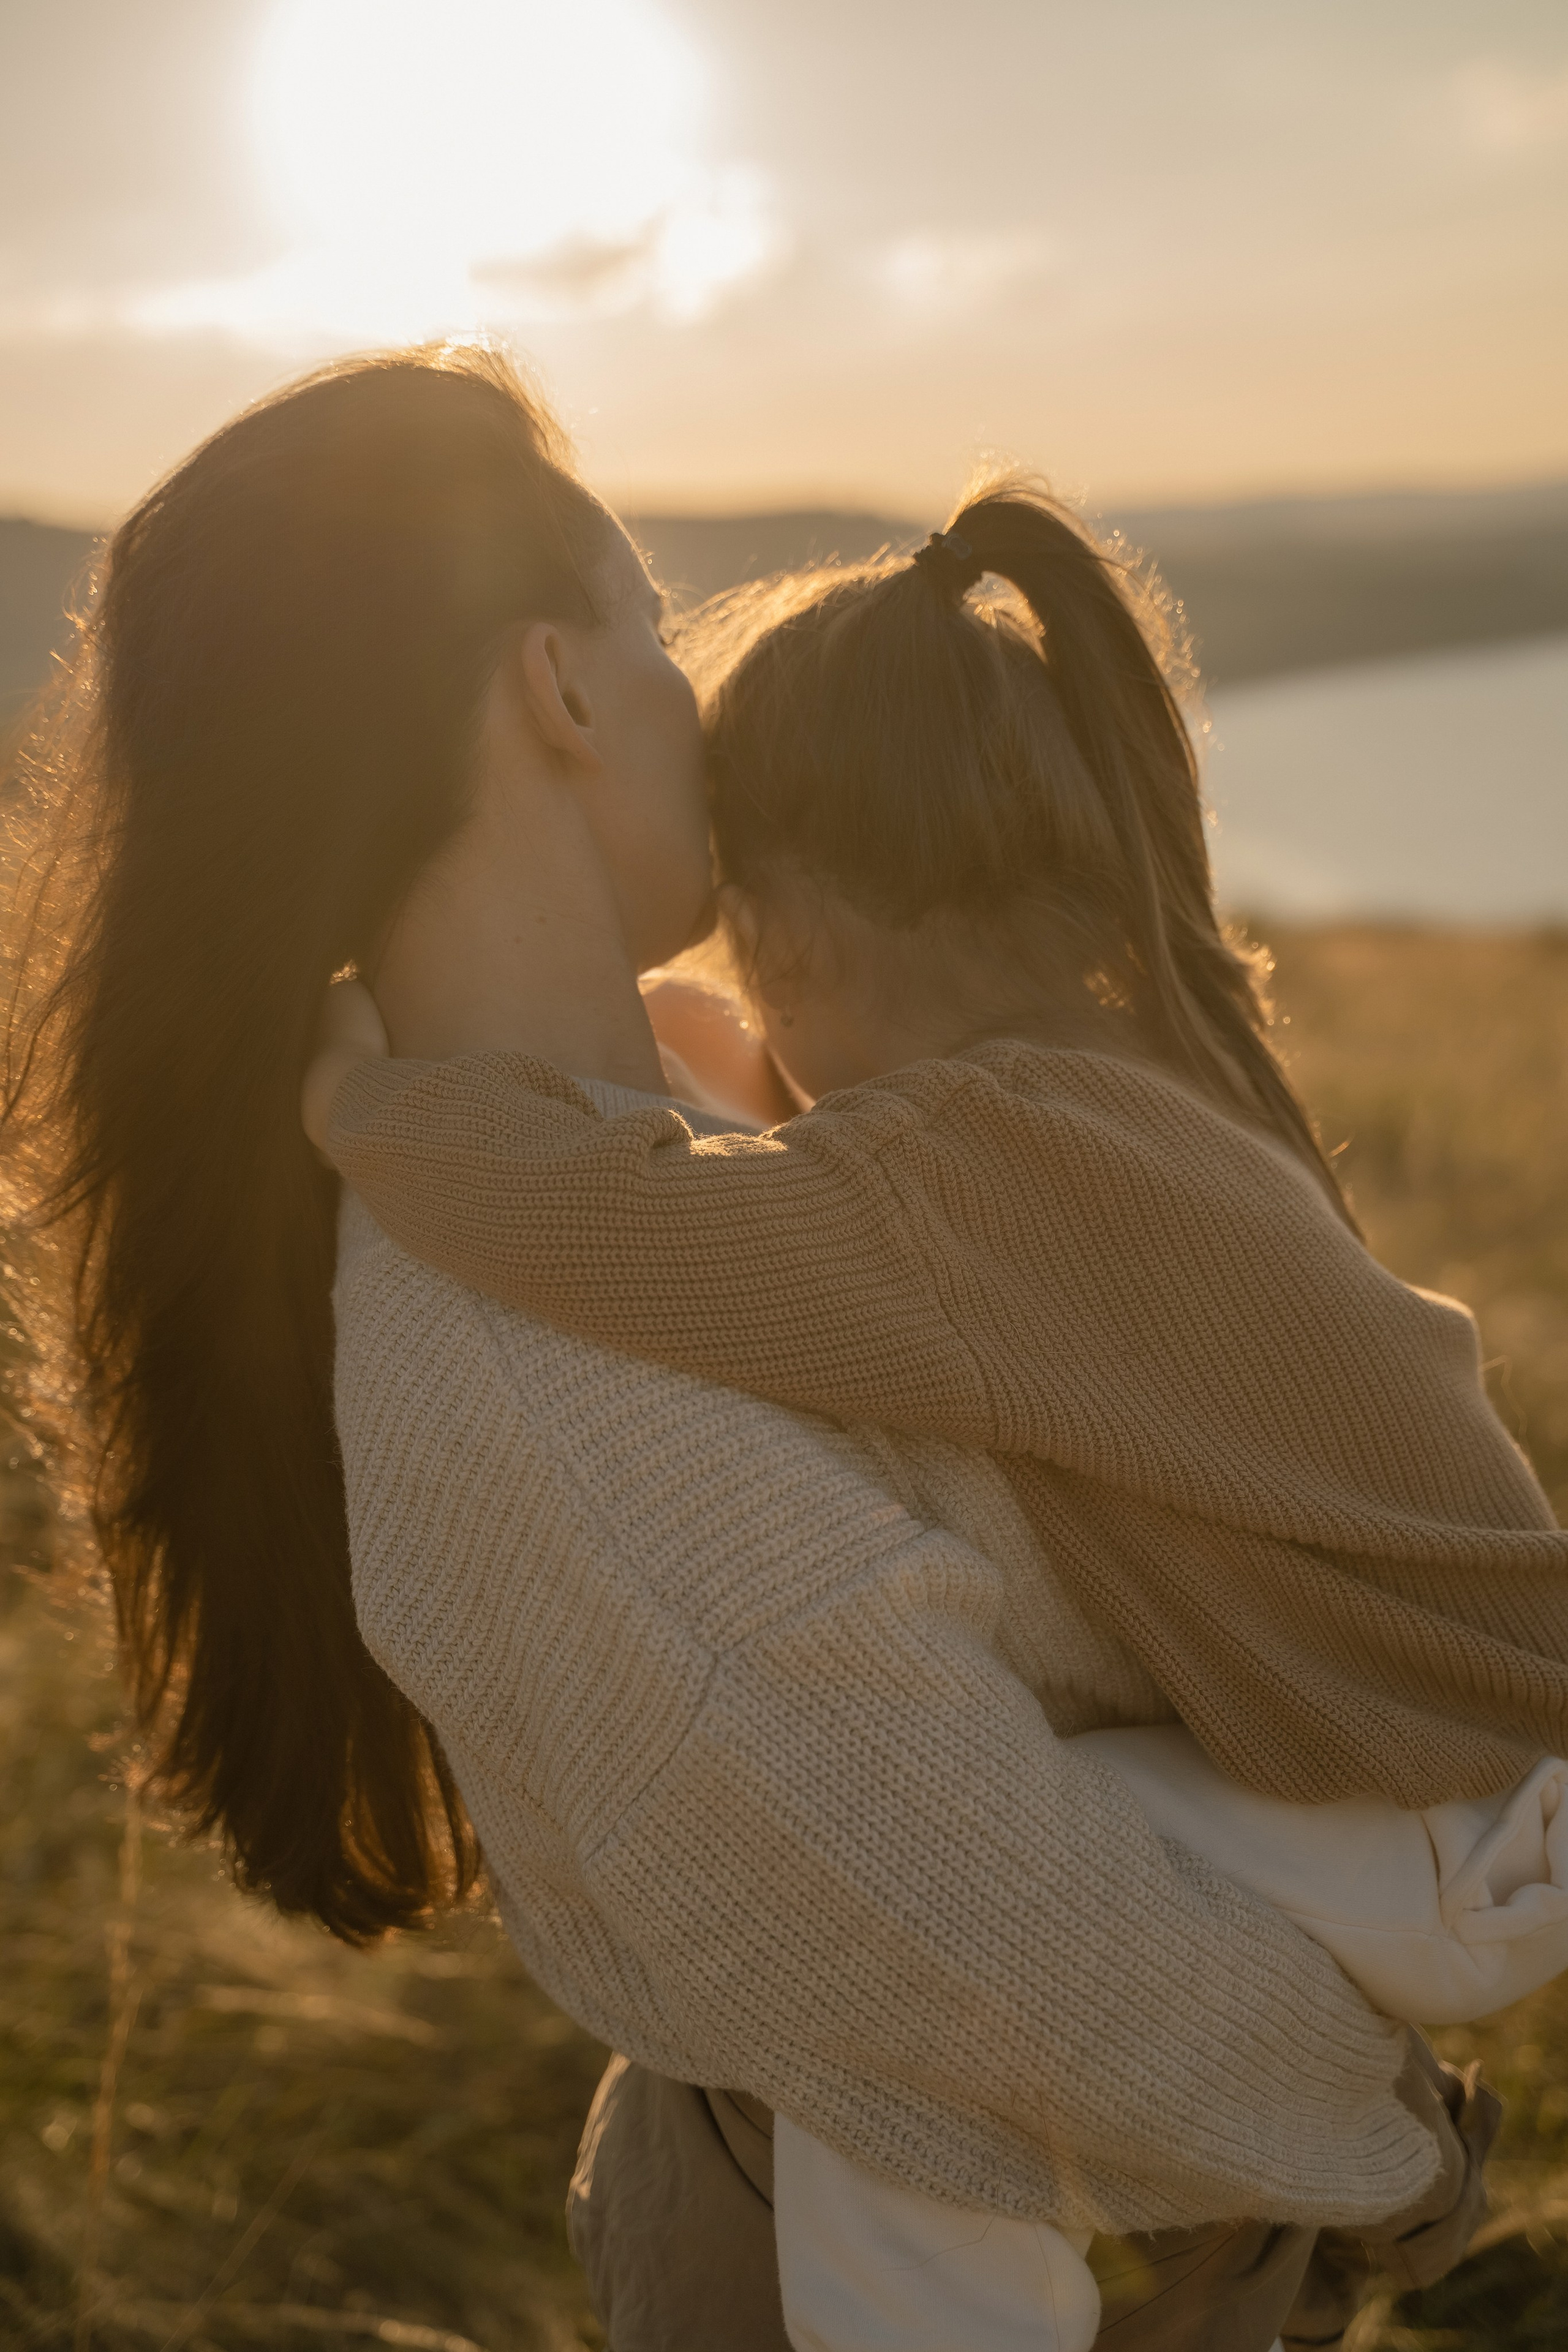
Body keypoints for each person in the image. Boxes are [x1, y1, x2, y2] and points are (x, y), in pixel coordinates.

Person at [1, 345, 1456, 2352]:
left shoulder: (642, 1149)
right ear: (563, 691)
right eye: (658, 634)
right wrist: (1401, 2153)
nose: (700, 699)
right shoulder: (551, 1380)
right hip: (960, 2245)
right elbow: (1000, 1946)